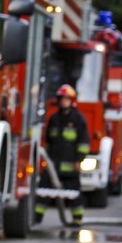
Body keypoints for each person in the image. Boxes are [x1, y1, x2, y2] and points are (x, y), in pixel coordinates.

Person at [34, 84, 90, 226]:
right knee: (43, 191)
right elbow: (48, 141)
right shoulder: (54, 119)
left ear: (72, 101)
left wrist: (79, 160)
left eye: (66, 99)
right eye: (62, 99)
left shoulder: (78, 119)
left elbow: (83, 142)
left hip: (71, 166)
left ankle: (77, 219)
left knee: (74, 194)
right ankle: (36, 218)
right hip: (53, 165)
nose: (63, 102)